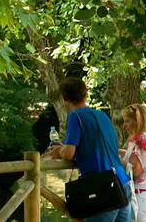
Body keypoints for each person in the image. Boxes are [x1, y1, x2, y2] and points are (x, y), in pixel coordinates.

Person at [45, 77, 132, 222]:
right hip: (123, 182)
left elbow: (68, 153)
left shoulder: (75, 116)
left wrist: (58, 151)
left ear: (64, 98)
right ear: (86, 94)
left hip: (103, 186)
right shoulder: (102, 115)